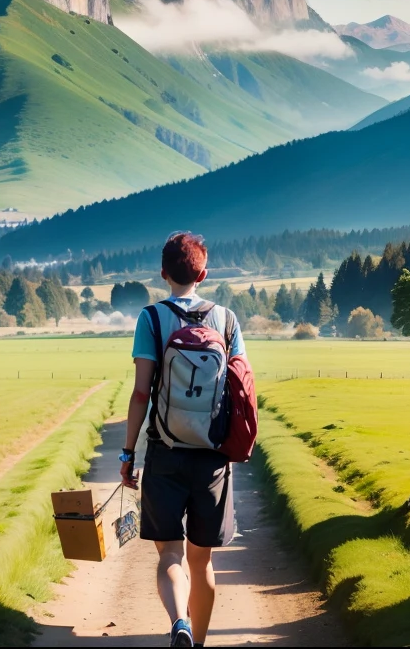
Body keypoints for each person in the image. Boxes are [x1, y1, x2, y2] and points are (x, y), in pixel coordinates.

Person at [120, 231, 246, 648]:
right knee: (202, 561)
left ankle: (180, 625)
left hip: (165, 452)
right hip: (211, 458)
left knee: (170, 555)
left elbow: (142, 393)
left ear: (162, 273)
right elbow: (240, 386)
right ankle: (200, 642)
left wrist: (127, 452)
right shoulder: (226, 321)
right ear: (204, 274)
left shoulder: (151, 319)